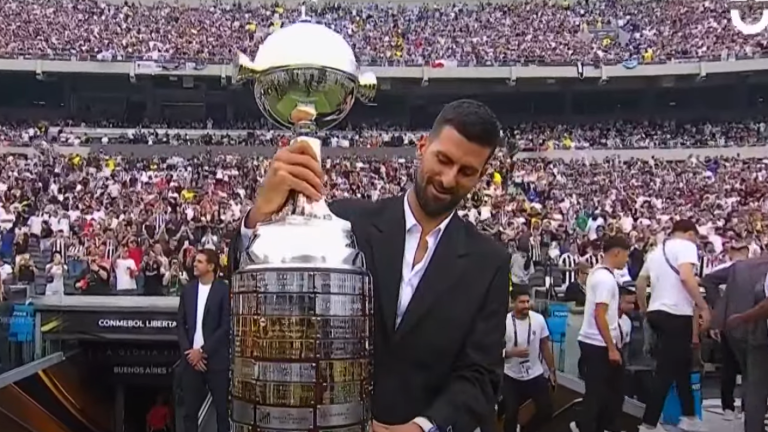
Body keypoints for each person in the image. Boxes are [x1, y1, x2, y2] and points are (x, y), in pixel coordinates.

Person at [237, 100, 510, 432]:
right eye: (443, 160)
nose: (449, 179)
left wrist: (423, 427)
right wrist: (261, 213)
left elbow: (480, 375)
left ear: (481, 176)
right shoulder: (345, 222)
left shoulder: (489, 263)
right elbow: (261, 296)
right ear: (422, 147)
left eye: (466, 171)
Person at [635, 220, 709, 432]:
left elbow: (640, 283)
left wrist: (645, 309)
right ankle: (648, 423)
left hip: (657, 311)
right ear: (689, 234)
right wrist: (703, 306)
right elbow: (686, 276)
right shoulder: (686, 246)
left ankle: (689, 416)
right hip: (676, 313)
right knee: (666, 371)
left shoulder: (656, 251)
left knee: (682, 365)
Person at [573, 235, 630, 432]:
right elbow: (599, 314)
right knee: (598, 395)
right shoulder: (605, 279)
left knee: (610, 393)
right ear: (617, 252)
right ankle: (585, 426)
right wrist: (611, 348)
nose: (627, 260)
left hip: (597, 342)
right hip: (599, 344)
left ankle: (603, 427)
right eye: (626, 255)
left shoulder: (598, 273)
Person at [177, 249, 230, 432]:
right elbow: (180, 324)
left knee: (222, 413)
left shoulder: (223, 290)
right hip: (191, 361)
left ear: (211, 266)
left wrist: (202, 351)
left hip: (216, 361)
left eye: (199, 261)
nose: (194, 264)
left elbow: (225, 326)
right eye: (195, 261)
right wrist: (190, 354)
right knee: (189, 414)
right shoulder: (188, 290)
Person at [502, 289, 555, 432]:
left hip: (534, 373)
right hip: (511, 375)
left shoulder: (538, 319)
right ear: (513, 302)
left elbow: (544, 346)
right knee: (511, 415)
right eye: (521, 302)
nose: (526, 305)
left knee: (546, 411)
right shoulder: (504, 322)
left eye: (527, 301)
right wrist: (512, 353)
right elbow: (493, 351)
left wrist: (551, 370)